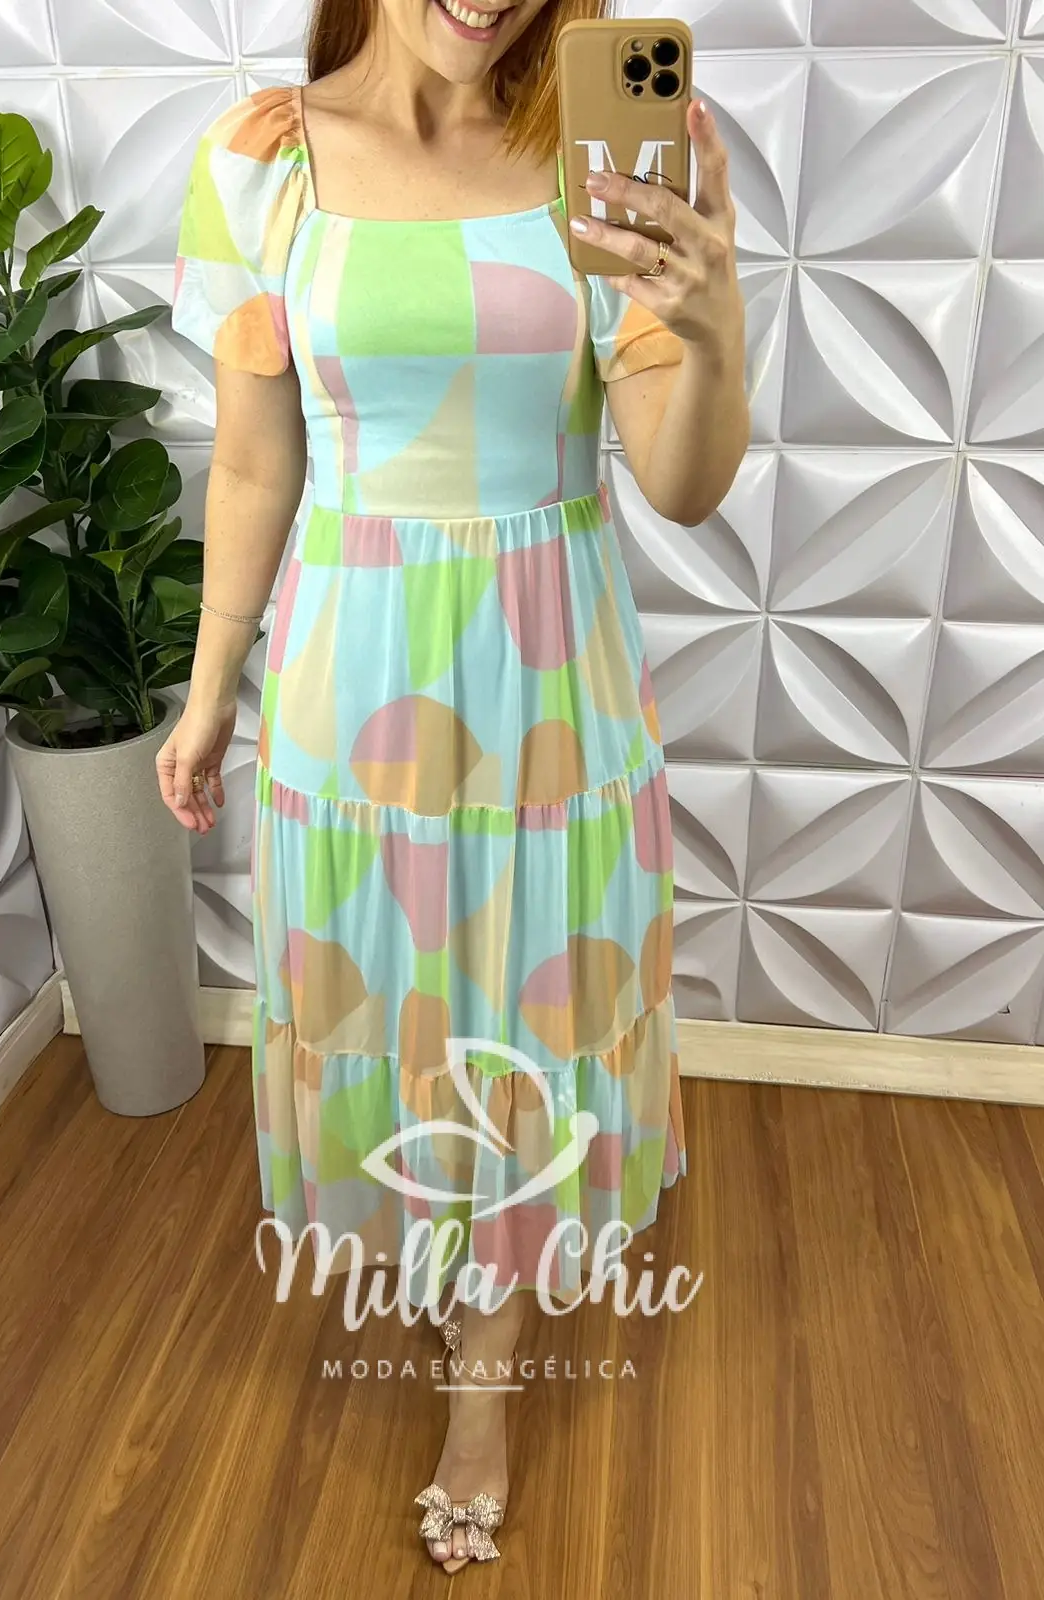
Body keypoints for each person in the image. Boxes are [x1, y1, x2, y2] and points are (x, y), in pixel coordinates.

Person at [160, 0, 748, 1575]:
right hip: (348, 680)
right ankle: (436, 1239)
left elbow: (682, 484)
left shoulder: (601, 158)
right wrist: (208, 694)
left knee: (529, 1012)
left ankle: (481, 1400)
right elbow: (255, 462)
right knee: (392, 1003)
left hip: (552, 676)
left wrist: (716, 323)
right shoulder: (263, 162)